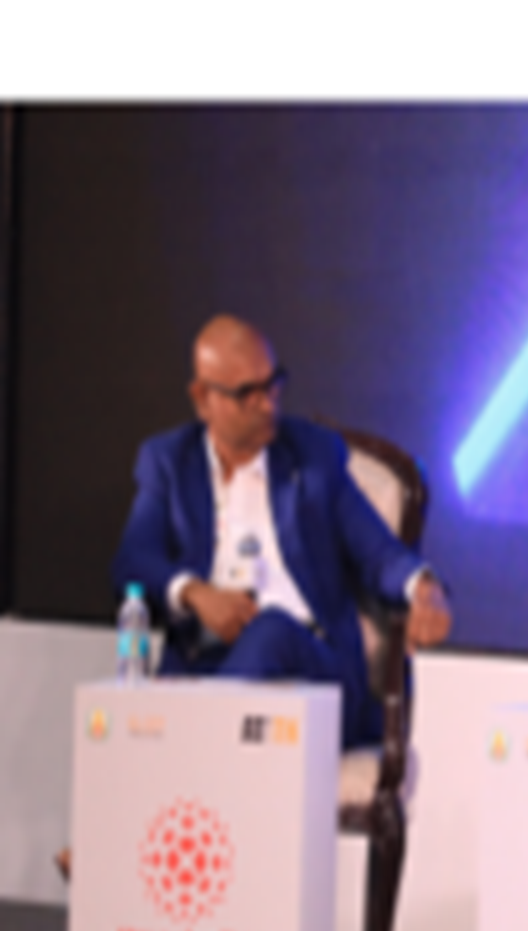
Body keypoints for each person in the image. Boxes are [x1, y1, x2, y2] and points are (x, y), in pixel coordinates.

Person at [111, 313, 453, 751]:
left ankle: (196, 749)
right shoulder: (169, 462)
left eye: (273, 384)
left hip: (311, 676)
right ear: (202, 399)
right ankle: (204, 745)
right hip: (205, 669)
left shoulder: (312, 457)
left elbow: (378, 554)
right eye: (246, 394)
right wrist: (195, 593)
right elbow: (133, 562)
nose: (268, 405)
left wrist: (424, 586)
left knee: (270, 630)